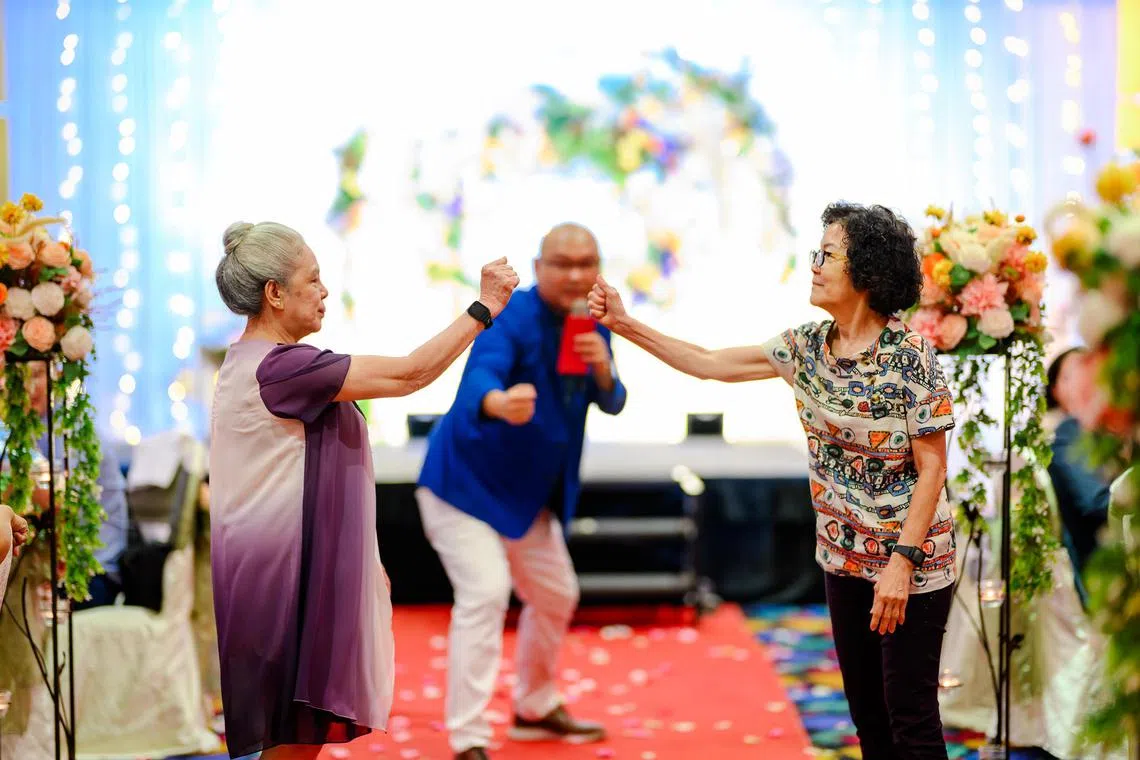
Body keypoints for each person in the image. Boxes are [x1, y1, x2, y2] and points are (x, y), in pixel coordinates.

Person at [589, 203, 956, 759]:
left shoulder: (910, 357)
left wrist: (901, 564)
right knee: (868, 718)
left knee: (911, 718)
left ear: (867, 269)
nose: (815, 266)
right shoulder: (806, 348)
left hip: (913, 561)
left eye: (827, 255)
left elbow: (933, 468)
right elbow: (709, 362)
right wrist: (624, 324)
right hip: (843, 558)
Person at [209, 220, 519, 760]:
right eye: (313, 279)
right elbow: (410, 375)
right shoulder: (282, 368)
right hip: (286, 584)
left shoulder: (247, 362)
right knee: (292, 744)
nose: (324, 291)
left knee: (293, 742)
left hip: (271, 574)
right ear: (274, 293)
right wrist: (484, 308)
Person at [416, 222, 626, 760]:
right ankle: (468, 738)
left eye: (586, 264)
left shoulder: (590, 320)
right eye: (563, 264)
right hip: (464, 486)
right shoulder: (511, 314)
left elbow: (612, 399)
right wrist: (499, 403)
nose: (576, 275)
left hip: (527, 495)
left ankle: (534, 706)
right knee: (486, 593)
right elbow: (479, 378)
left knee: (556, 593)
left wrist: (604, 369)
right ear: (538, 268)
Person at [25, 361, 129, 609]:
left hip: (96, 573)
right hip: (57, 566)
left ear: (57, 374)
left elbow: (55, 503)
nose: (29, 386)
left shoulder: (74, 432)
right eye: (21, 377)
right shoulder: (33, 429)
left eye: (37, 374)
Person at [1044, 347, 1111, 606]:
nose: (1087, 378)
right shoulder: (1067, 434)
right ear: (1055, 390)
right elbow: (1098, 502)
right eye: (1073, 373)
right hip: (1101, 565)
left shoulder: (1105, 430)